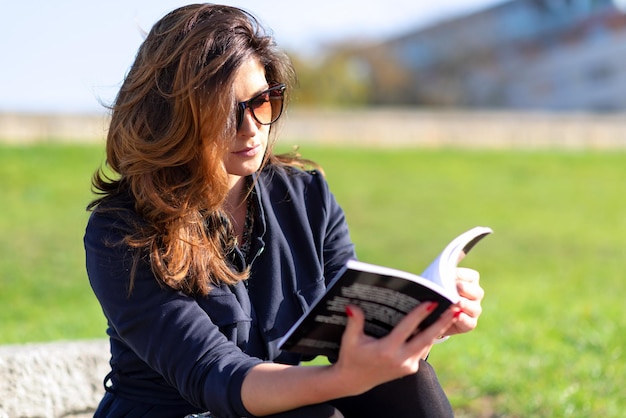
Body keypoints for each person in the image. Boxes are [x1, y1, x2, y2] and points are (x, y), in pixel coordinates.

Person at [84, 4, 485, 418]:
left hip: (282, 406)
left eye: (262, 102)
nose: (252, 128)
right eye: (225, 112)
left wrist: (426, 323)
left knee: (410, 380)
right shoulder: (122, 230)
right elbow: (215, 375)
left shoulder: (304, 195)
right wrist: (342, 381)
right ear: (175, 118)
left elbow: (354, 328)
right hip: (180, 412)